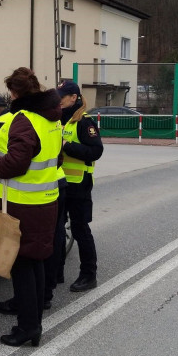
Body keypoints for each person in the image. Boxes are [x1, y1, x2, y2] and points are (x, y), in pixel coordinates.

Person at [0, 67, 62, 347]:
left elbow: (14, 164)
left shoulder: (24, 120)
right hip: (46, 201)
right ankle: (33, 323)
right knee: (34, 264)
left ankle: (27, 328)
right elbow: (54, 158)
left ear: (15, 93)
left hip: (23, 206)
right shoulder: (52, 118)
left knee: (22, 267)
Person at [57, 80, 103, 292]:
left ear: (73, 97)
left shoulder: (85, 122)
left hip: (79, 185)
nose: (59, 99)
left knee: (80, 229)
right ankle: (56, 273)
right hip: (60, 183)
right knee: (57, 229)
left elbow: (95, 151)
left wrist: (67, 146)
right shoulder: (61, 120)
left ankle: (88, 275)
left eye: (62, 96)